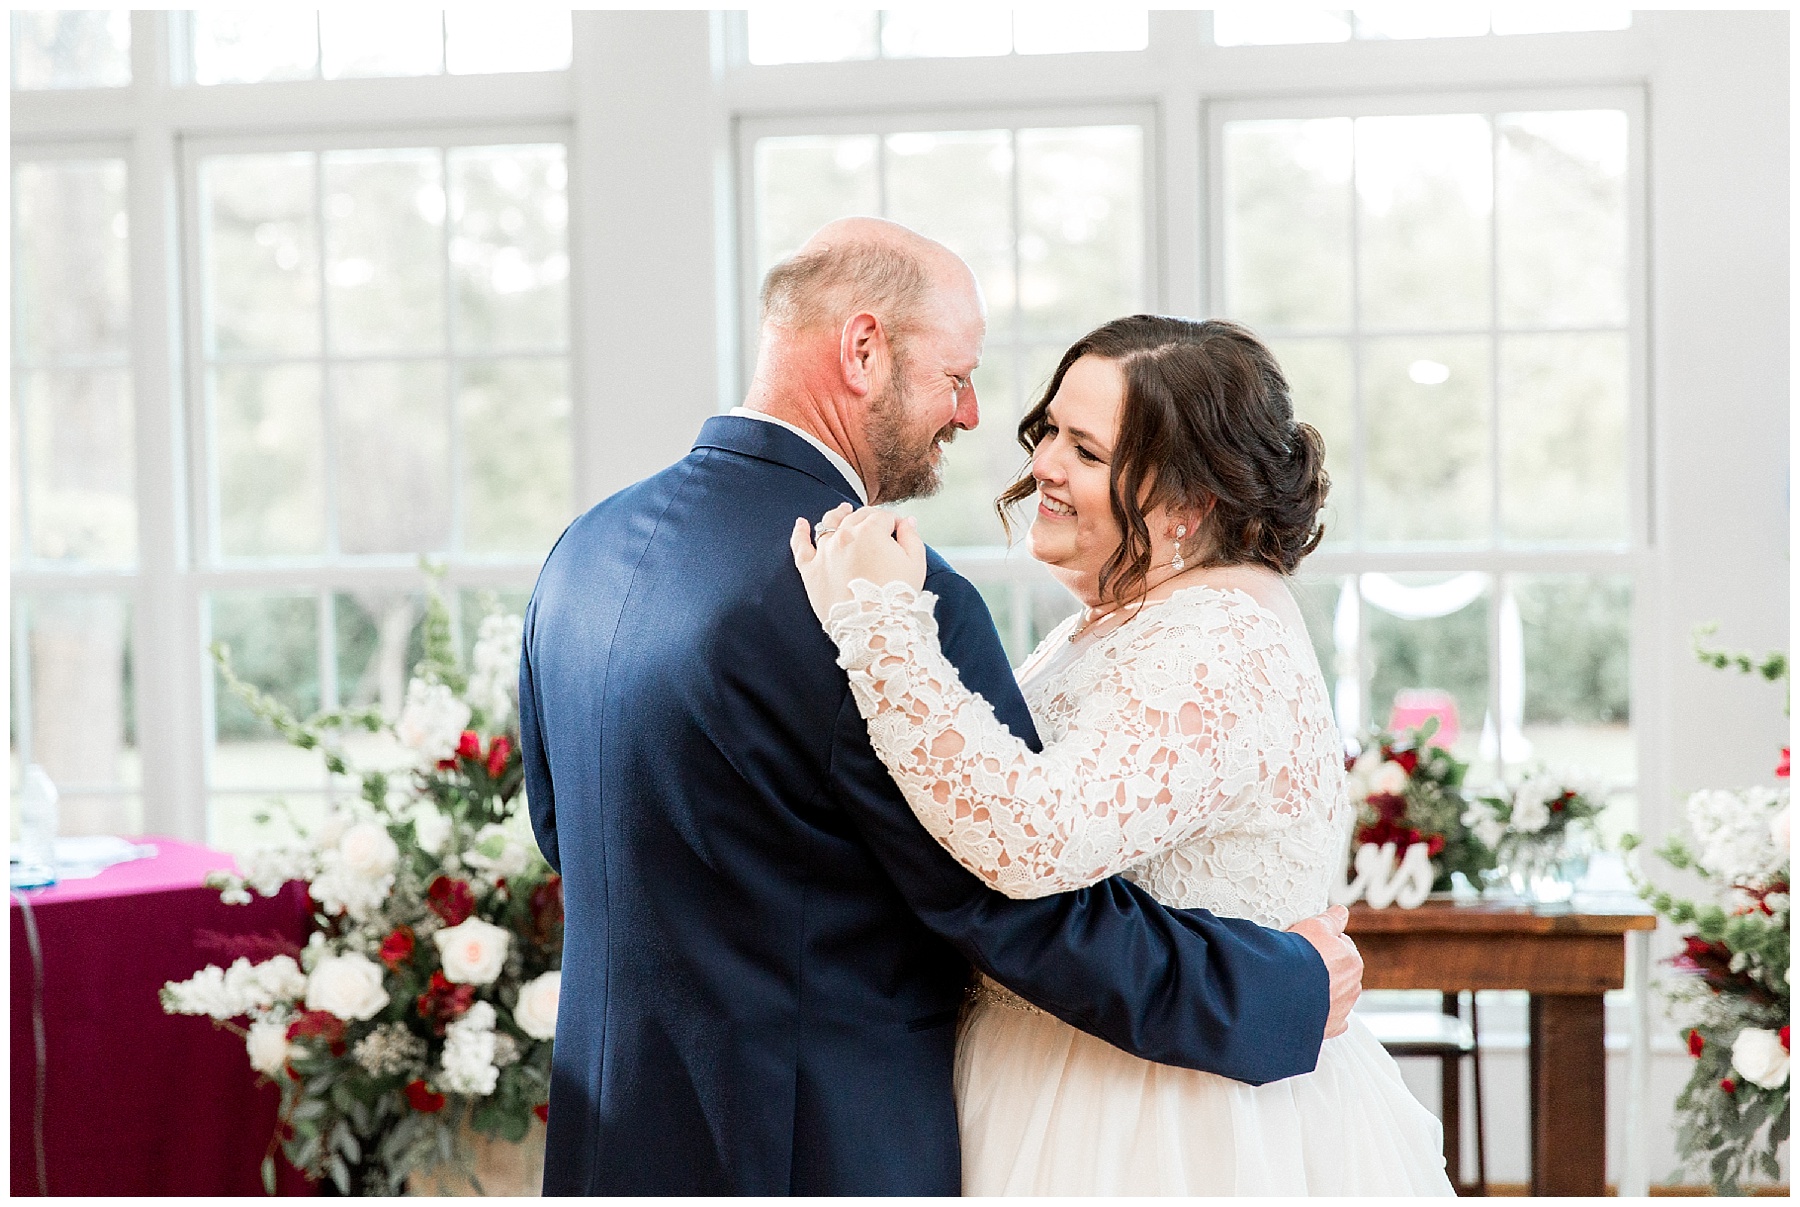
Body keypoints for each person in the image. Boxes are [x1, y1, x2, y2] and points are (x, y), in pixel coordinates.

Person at [519, 219, 1363, 1195]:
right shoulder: (886, 600)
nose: (973, 416)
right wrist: (1278, 987)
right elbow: (1008, 909)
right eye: (956, 376)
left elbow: (562, 830)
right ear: (864, 349)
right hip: (817, 1138)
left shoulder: (583, 551)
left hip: (613, 1130)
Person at [791, 314, 1454, 1195]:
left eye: (1088, 451)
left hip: (1159, 1117)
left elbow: (1031, 837)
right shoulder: (1123, 619)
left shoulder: (1217, 642)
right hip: (1074, 1064)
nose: (1044, 468)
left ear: (1189, 504)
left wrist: (879, 622)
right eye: (1050, 433)